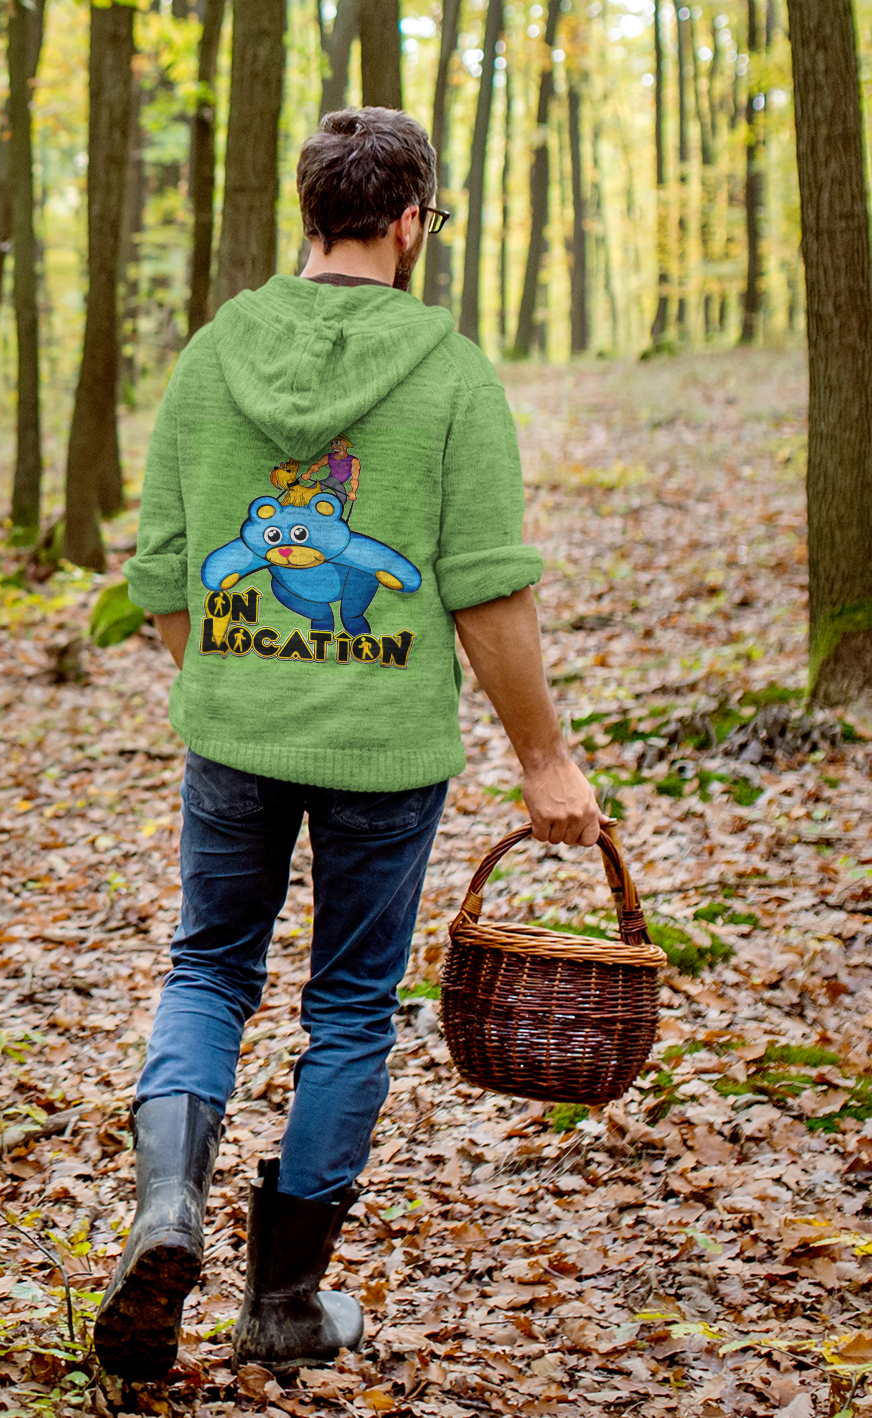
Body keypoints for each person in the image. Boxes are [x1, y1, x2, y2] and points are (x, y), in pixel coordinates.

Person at [99, 107, 605, 1380]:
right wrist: (546, 757)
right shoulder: (449, 375)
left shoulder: (216, 355)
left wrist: (229, 680)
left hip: (234, 731)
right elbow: (487, 589)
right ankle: (282, 1303)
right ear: (407, 221)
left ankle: (168, 1212)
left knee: (209, 967)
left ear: (311, 215)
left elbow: (165, 571)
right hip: (385, 751)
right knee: (348, 1011)